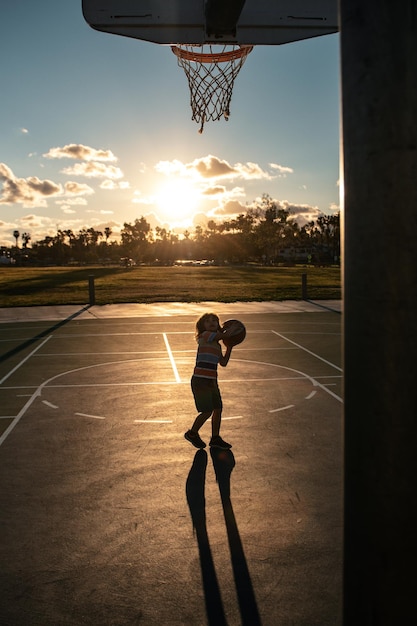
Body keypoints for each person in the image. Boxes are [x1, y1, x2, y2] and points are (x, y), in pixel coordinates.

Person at [184, 312, 237, 450]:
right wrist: (232, 331)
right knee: (207, 411)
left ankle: (215, 438)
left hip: (212, 381)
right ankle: (192, 433)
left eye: (215, 320)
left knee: (218, 409)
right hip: (200, 381)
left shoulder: (218, 345)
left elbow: (223, 362)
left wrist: (229, 347)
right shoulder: (204, 336)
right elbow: (223, 335)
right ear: (202, 326)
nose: (212, 322)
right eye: (208, 321)